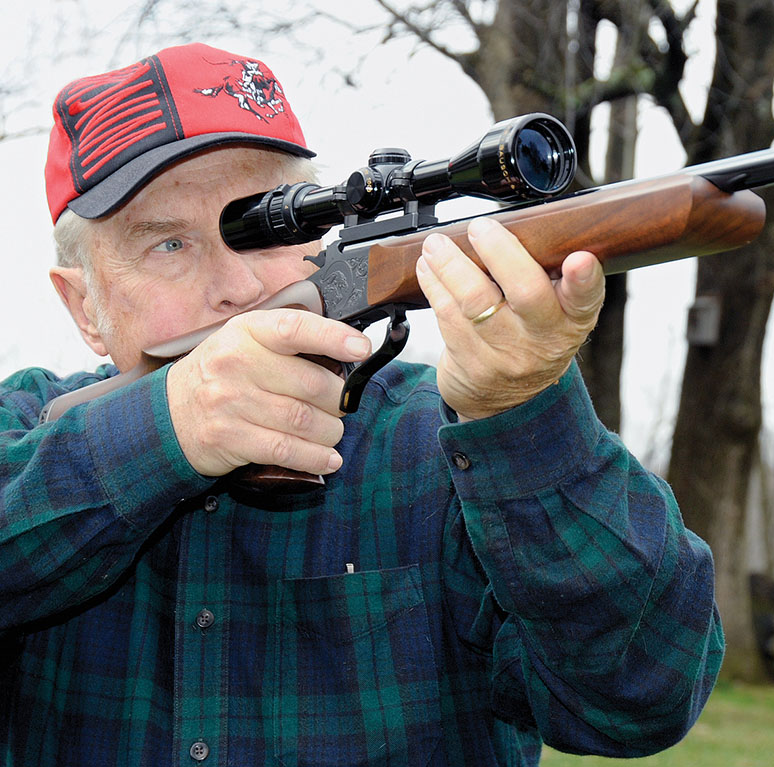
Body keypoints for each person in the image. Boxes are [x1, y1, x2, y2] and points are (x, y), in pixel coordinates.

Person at [0, 43, 723, 766]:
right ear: (83, 305)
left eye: (263, 224)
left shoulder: (442, 441)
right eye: (167, 245)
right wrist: (170, 428)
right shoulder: (29, 427)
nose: (236, 285)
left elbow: (641, 696)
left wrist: (525, 414)